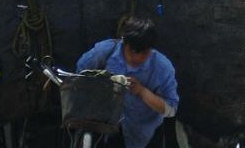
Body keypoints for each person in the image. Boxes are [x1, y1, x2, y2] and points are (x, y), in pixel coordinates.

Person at [76, 17, 179, 148]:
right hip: (107, 129)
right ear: (124, 43)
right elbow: (80, 74)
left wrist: (142, 92)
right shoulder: (104, 52)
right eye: (133, 52)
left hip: (145, 136)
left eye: (144, 53)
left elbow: (171, 110)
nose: (138, 58)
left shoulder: (162, 67)